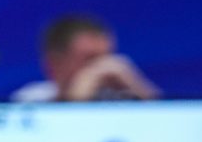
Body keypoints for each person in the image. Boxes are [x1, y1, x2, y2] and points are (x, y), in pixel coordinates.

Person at [11, 14, 159, 103]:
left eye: (106, 57)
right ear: (55, 63)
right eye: (90, 59)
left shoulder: (123, 99)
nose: (103, 67)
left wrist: (136, 84)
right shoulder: (30, 100)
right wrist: (78, 95)